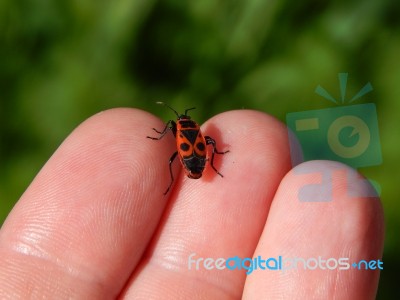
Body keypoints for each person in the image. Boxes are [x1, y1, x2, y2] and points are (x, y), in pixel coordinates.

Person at [0, 108, 384, 299]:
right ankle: (192, 169)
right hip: (199, 164)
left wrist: (190, 152)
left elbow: (182, 140)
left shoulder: (186, 133)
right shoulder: (196, 133)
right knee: (177, 164)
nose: (181, 128)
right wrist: (209, 157)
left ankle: (184, 174)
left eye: (181, 126)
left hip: (195, 165)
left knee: (175, 164)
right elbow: (196, 142)